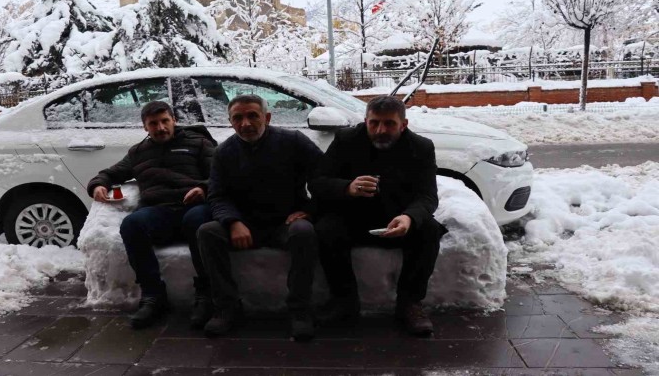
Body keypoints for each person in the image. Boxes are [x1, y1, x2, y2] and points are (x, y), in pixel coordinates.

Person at [309, 95, 447, 336]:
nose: (380, 130)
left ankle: (410, 303)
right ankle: (344, 300)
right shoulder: (346, 140)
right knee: (326, 229)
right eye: (374, 123)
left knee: (428, 230)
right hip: (352, 216)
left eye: (389, 124)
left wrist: (409, 217)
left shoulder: (421, 147)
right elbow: (317, 182)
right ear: (366, 121)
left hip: (397, 218)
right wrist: (347, 187)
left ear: (403, 125)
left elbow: (427, 196)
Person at [197, 94, 322, 341]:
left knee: (304, 232)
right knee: (207, 232)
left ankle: (300, 310)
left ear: (267, 117)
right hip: (245, 224)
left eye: (252, 116)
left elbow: (324, 177)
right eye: (238, 118)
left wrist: (311, 210)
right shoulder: (224, 152)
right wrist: (233, 222)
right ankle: (227, 307)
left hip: (285, 222)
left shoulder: (293, 141)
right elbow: (217, 195)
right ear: (231, 122)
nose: (245, 124)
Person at [87, 100, 216, 329]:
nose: (161, 128)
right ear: (145, 127)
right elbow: (111, 172)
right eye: (153, 123)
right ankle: (153, 296)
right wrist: (98, 184)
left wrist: (203, 188)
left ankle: (206, 295)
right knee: (132, 224)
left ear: (174, 120)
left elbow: (219, 174)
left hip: (194, 206)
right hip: (160, 212)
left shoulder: (198, 143)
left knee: (197, 220)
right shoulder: (138, 152)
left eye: (165, 121)